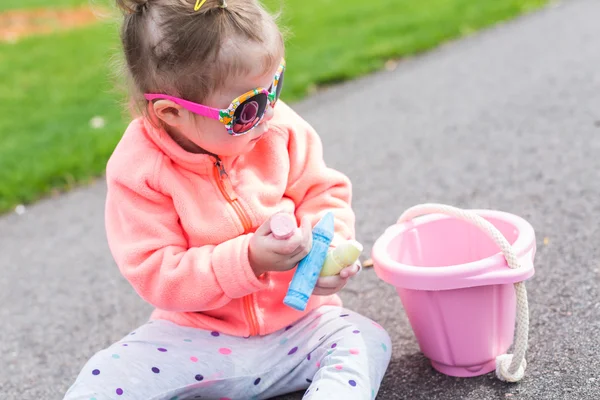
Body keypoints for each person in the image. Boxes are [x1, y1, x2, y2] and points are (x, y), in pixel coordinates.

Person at [64, 0, 391, 398]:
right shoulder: (140, 170)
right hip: (197, 337)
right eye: (247, 108)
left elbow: (322, 193)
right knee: (104, 377)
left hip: (301, 325)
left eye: (275, 87)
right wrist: (248, 259)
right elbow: (157, 273)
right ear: (171, 113)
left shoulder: (279, 128)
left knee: (366, 340)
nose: (269, 112)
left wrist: (330, 250)